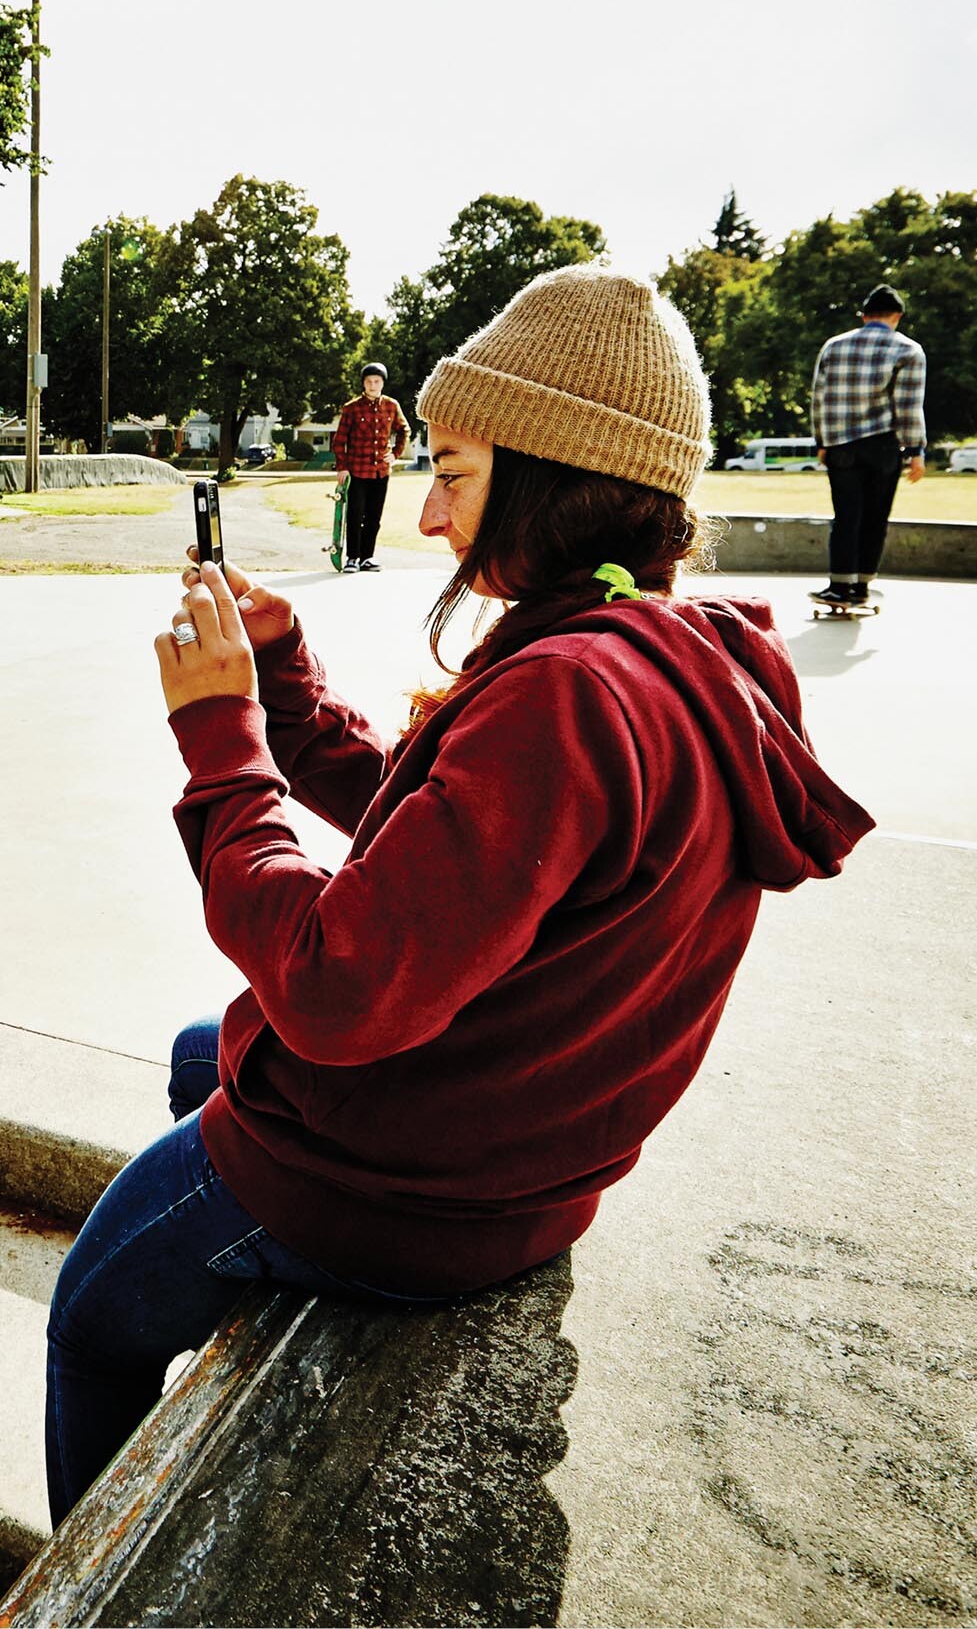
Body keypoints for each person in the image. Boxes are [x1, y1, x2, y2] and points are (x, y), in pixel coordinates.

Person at [44, 267, 872, 1524]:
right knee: (199, 1049)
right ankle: (255, 1274)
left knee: (91, 1320)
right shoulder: (661, 645)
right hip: (521, 1160)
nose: (428, 517)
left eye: (456, 472)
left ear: (556, 471)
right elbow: (447, 838)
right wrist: (281, 681)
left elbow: (334, 985)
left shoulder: (568, 688)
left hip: (408, 1190)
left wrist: (220, 734)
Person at [808, 284, 926, 611]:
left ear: (864, 316)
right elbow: (908, 406)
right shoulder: (908, 350)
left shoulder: (834, 346)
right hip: (883, 446)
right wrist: (916, 451)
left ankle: (838, 587)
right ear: (897, 316)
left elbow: (819, 398)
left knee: (846, 516)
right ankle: (861, 587)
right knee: (876, 517)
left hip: (841, 445)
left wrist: (822, 442)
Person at [331, 362, 411, 571]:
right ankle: (352, 558)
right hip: (357, 471)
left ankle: (368, 557)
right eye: (369, 381)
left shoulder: (392, 406)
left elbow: (404, 430)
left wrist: (395, 454)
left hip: (381, 472)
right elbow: (340, 440)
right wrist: (342, 467)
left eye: (376, 381)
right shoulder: (352, 408)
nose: (373, 385)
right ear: (363, 384)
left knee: (374, 516)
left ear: (382, 383)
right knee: (355, 515)